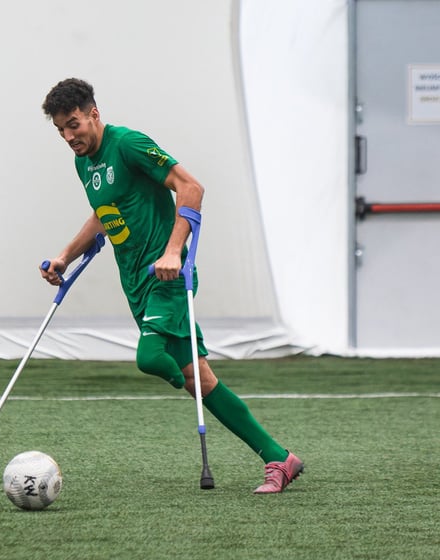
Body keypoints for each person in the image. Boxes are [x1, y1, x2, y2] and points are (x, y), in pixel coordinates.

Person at [40, 78, 303, 494]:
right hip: (136, 285)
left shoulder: (128, 144)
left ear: (94, 113)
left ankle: (274, 455)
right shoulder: (83, 162)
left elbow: (191, 188)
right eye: (61, 131)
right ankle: (278, 458)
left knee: (151, 357)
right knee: (202, 379)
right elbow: (103, 214)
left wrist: (173, 251)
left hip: (166, 278)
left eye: (74, 124)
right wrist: (65, 257)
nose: (69, 136)